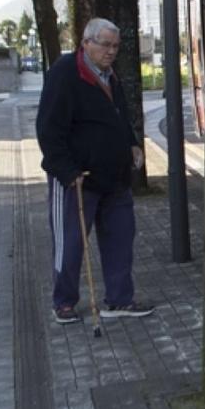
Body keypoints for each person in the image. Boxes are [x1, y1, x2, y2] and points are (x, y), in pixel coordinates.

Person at [36, 18, 153, 324]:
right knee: (71, 243)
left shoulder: (110, 75)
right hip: (77, 179)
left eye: (115, 46)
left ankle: (119, 299)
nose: (111, 51)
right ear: (86, 43)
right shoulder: (65, 73)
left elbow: (120, 117)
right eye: (105, 44)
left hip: (114, 177)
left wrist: (131, 144)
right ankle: (63, 302)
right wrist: (66, 170)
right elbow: (48, 130)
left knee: (121, 239)